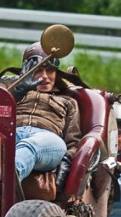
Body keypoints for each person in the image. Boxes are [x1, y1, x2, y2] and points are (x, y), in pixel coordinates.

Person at [7, 42, 82, 187]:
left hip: (47, 142)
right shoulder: (8, 90)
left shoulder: (68, 102)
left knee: (29, 145)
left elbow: (74, 142)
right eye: (38, 70)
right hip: (12, 134)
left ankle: (8, 182)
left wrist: (67, 161)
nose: (45, 77)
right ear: (26, 71)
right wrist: (17, 92)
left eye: (50, 71)